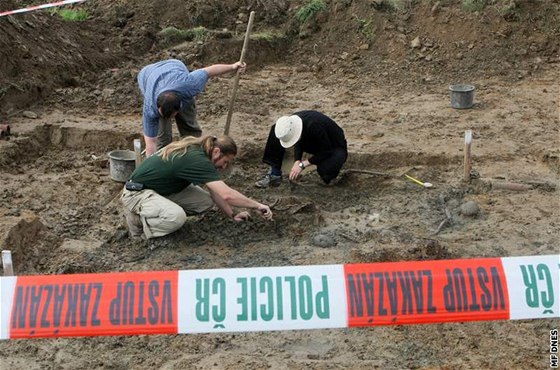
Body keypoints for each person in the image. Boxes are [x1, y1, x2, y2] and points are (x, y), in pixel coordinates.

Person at [122, 135, 273, 239]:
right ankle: (138, 223)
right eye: (225, 161)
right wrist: (257, 205)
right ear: (216, 151)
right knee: (176, 217)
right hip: (136, 193)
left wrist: (232, 214)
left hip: (160, 189)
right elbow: (227, 195)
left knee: (204, 202)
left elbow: (216, 192)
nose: (224, 166)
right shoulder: (197, 160)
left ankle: (160, 212)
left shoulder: (201, 151)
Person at [138, 58, 246, 157]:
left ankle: (193, 156)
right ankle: (162, 162)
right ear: (158, 107)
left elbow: (209, 71)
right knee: (162, 138)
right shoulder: (150, 108)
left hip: (174, 66)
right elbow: (150, 143)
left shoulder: (190, 84)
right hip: (147, 75)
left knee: (190, 131)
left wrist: (232, 66)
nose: (170, 119)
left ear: (179, 107)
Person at [255, 110, 348, 188]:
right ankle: (274, 174)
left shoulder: (315, 127)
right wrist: (297, 160)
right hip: (312, 139)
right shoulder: (290, 124)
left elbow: (326, 151)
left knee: (326, 171)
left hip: (333, 146)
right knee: (276, 131)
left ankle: (329, 175)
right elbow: (298, 141)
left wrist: (303, 165)